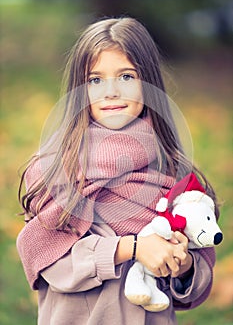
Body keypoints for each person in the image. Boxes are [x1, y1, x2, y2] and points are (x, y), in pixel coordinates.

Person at [17, 17, 219, 325]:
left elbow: (196, 282)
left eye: (126, 77)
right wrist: (133, 247)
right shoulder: (60, 167)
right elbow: (51, 261)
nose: (110, 92)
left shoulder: (171, 166)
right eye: (95, 80)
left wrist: (184, 265)